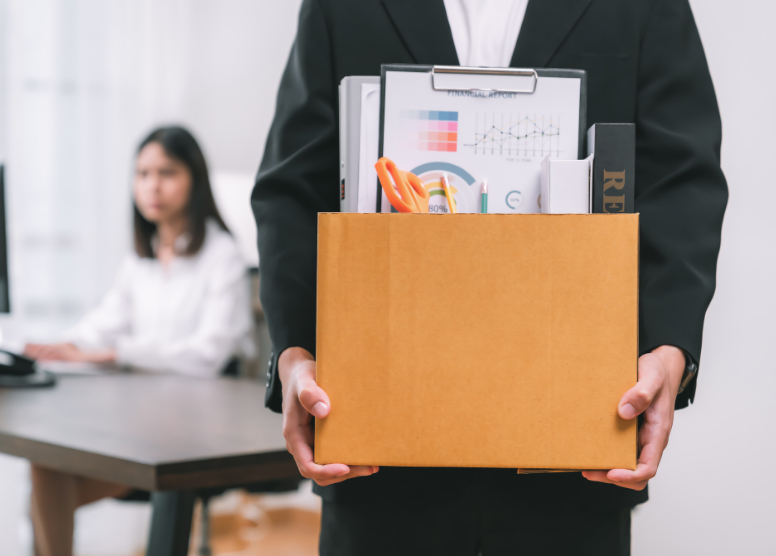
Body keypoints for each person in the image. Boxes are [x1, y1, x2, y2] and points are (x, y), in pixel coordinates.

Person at [252, 0, 728, 554]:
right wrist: (295, 354)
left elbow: (683, 180)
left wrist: (669, 350)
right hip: (381, 464)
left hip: (573, 460)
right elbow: (291, 188)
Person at [25, 125, 254, 556]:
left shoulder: (222, 255)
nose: (153, 185)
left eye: (166, 172)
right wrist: (54, 349)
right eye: (143, 173)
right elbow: (102, 324)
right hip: (138, 419)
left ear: (194, 179)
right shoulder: (142, 257)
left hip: (192, 431)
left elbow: (207, 356)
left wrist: (116, 353)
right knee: (45, 466)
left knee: (50, 482)